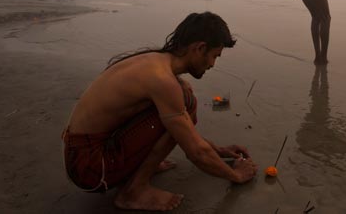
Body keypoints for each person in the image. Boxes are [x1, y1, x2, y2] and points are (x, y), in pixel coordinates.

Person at [62, 12, 258, 211]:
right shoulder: (162, 80)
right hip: (92, 168)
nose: (212, 64)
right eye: (214, 56)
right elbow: (196, 152)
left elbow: (184, 132)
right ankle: (134, 191)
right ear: (199, 48)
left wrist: (217, 150)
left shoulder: (155, 61)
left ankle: (139, 168)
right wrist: (236, 175)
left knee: (182, 96)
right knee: (184, 100)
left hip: (82, 154)